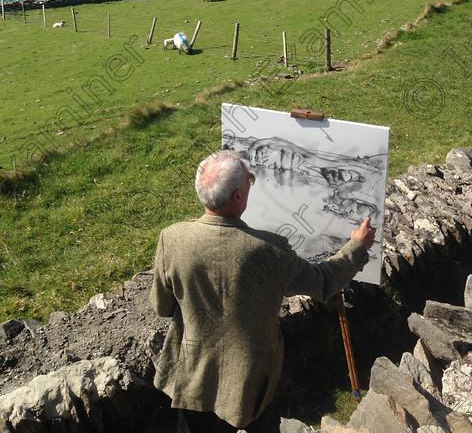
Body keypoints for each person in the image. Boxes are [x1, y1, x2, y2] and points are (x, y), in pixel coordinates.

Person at [150, 151, 376, 433]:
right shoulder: (270, 250)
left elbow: (162, 306)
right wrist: (356, 247)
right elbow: (322, 281)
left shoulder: (171, 238)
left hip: (194, 374)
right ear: (237, 197)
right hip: (250, 380)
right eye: (249, 183)